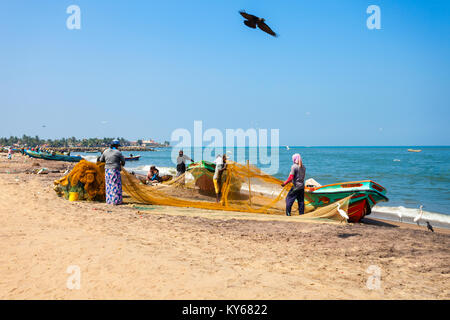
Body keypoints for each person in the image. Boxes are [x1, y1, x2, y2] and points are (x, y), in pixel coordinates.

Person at [99, 139, 126, 205]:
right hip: (115, 170)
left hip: (107, 170)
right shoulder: (118, 152)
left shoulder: (105, 151)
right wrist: (121, 164)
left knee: (109, 185)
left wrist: (108, 161)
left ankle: (109, 200)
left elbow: (101, 160)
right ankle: (116, 201)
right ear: (117, 146)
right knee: (116, 185)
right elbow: (123, 161)